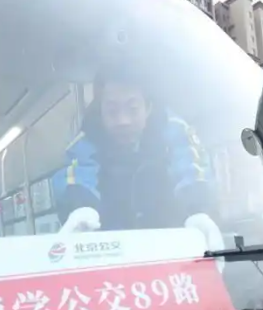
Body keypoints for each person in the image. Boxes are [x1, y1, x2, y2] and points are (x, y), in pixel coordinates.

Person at [52, 64, 222, 250]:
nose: (123, 121)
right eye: (112, 111)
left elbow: (192, 166)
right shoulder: (86, 140)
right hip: (111, 252)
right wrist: (81, 209)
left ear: (148, 107)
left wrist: (198, 211)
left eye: (132, 109)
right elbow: (76, 176)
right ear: (100, 111)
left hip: (173, 249)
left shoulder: (174, 130)